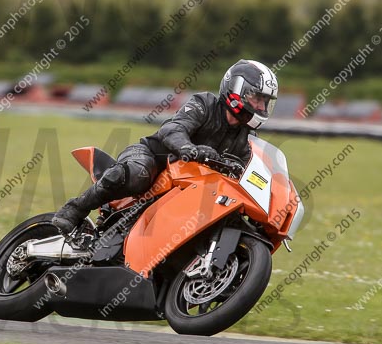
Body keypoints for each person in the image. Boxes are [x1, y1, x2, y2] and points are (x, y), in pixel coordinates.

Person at [52, 59, 279, 235]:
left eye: (264, 101)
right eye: (256, 98)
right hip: (154, 157)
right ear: (236, 90)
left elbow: (246, 169)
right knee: (137, 175)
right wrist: (189, 148)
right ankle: (75, 209)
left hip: (190, 184)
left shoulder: (245, 138)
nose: (260, 106)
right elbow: (172, 130)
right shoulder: (204, 105)